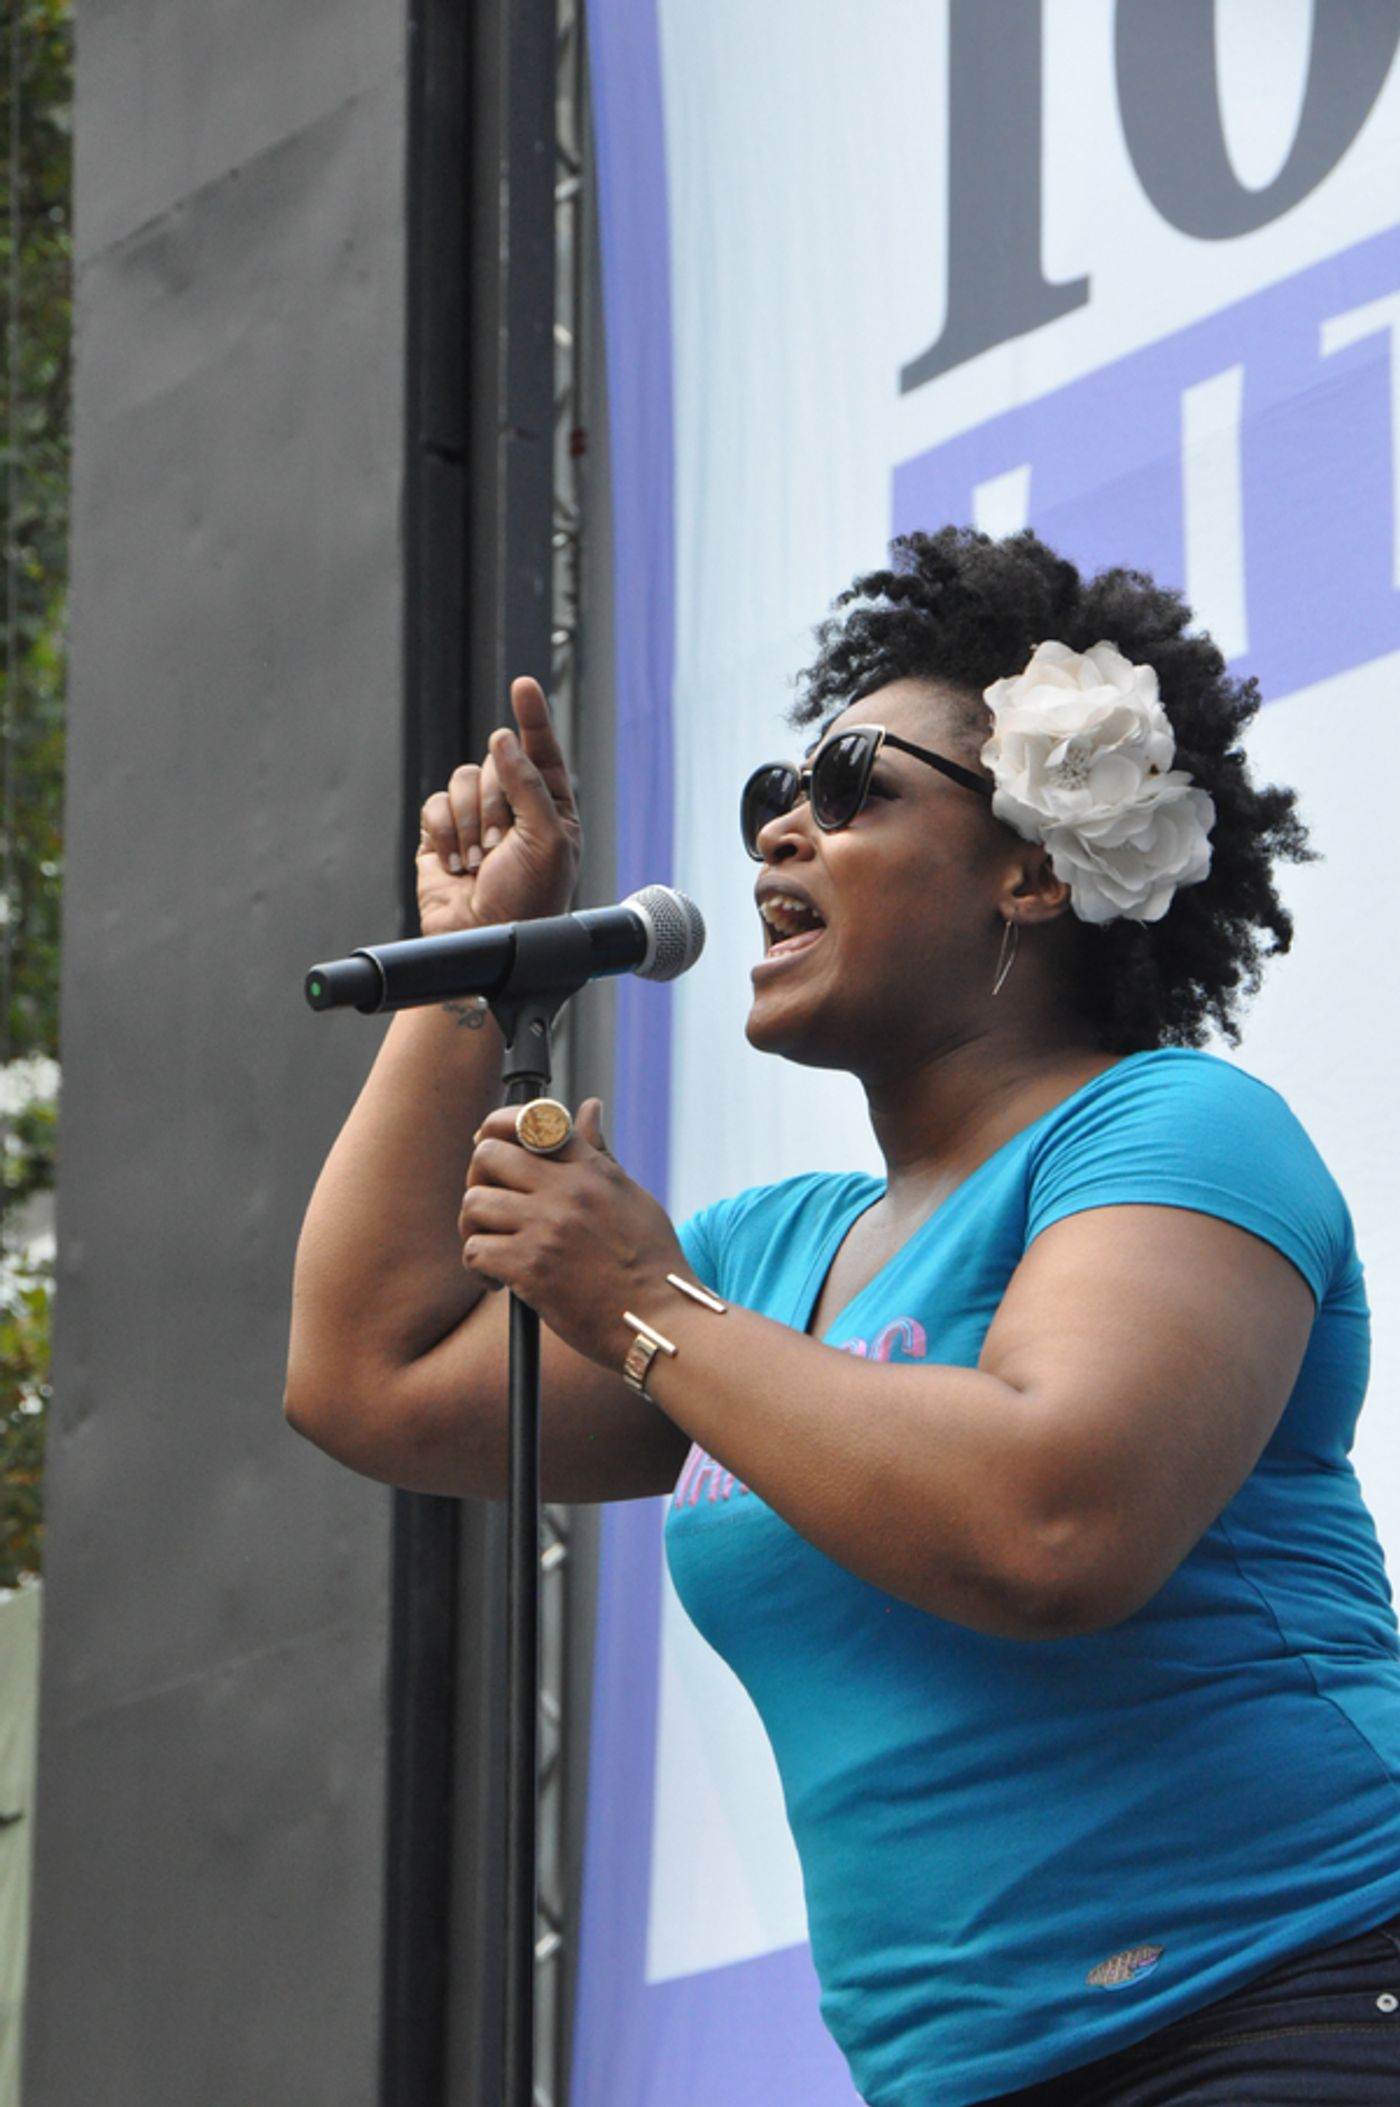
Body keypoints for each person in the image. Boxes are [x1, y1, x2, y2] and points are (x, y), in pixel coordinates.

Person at [285, 527, 1400, 2106]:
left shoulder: (1175, 1131)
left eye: (853, 786)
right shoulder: (765, 1261)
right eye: (767, 804)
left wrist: (641, 1301)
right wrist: (466, 983)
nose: (778, 837)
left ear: (1033, 866)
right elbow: (367, 1380)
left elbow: (1054, 1526)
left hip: (1290, 2006)